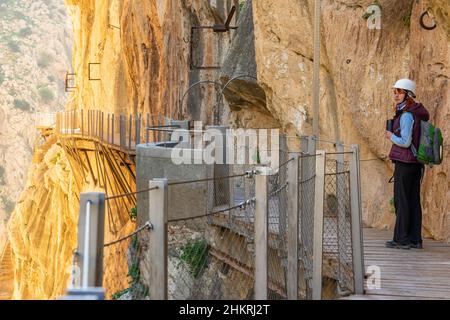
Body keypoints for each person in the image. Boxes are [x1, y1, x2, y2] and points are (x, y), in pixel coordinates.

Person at [385, 79, 429, 250]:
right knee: (412, 200)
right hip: (415, 163)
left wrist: (390, 136)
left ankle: (401, 239)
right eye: (395, 91)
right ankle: (415, 239)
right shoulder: (414, 112)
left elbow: (405, 141)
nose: (396, 95)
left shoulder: (406, 115)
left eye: (400, 91)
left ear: (408, 95)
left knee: (401, 200)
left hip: (405, 162)